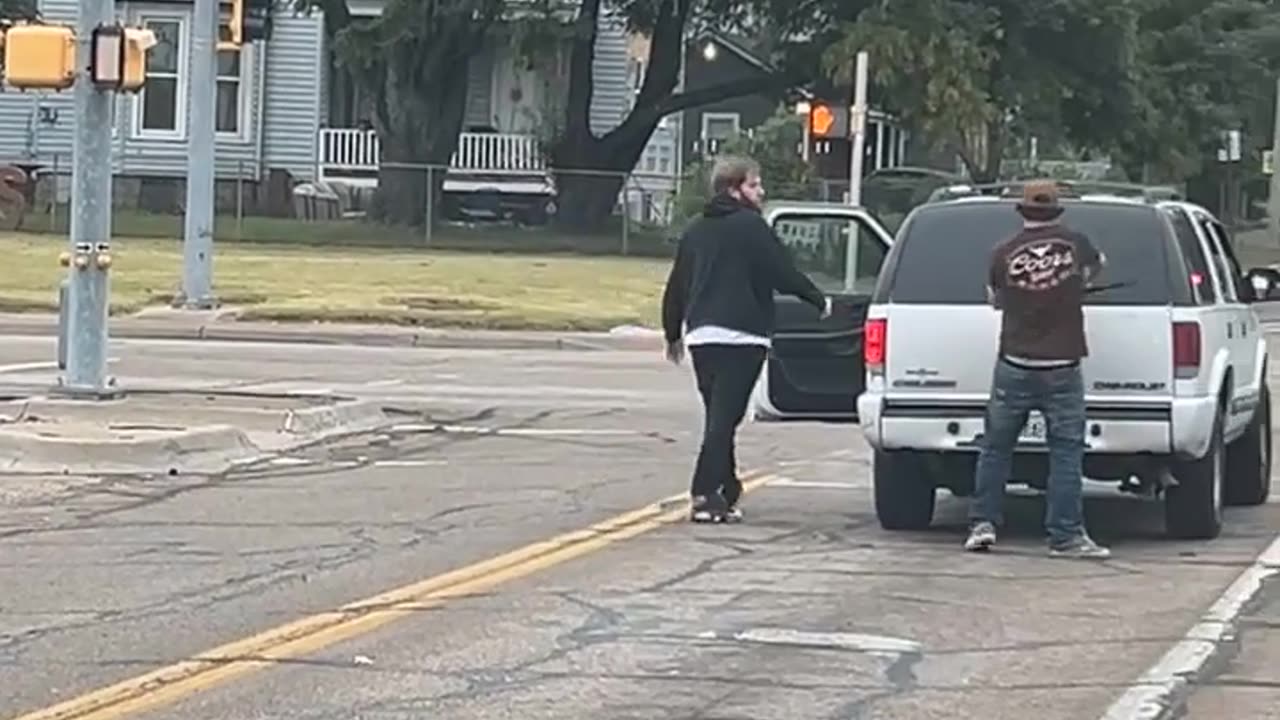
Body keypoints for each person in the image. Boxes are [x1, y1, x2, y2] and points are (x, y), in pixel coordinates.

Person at [661, 155, 831, 524]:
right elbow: (782, 271)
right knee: (725, 418)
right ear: (733, 189)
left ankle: (727, 485)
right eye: (754, 184)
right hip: (743, 335)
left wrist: (673, 332)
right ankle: (704, 493)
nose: (761, 191)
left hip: (703, 335)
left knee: (720, 415)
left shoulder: (695, 230)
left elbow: (677, 285)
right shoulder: (751, 227)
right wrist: (817, 299)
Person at [964, 180, 1111, 559]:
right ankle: (1065, 537)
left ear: (1023, 211)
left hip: (1014, 362)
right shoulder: (1077, 244)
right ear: (1056, 210)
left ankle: (983, 524)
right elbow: (1098, 270)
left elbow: (994, 300)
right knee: (1065, 452)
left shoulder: (1002, 253)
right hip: (1062, 365)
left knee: (996, 448)